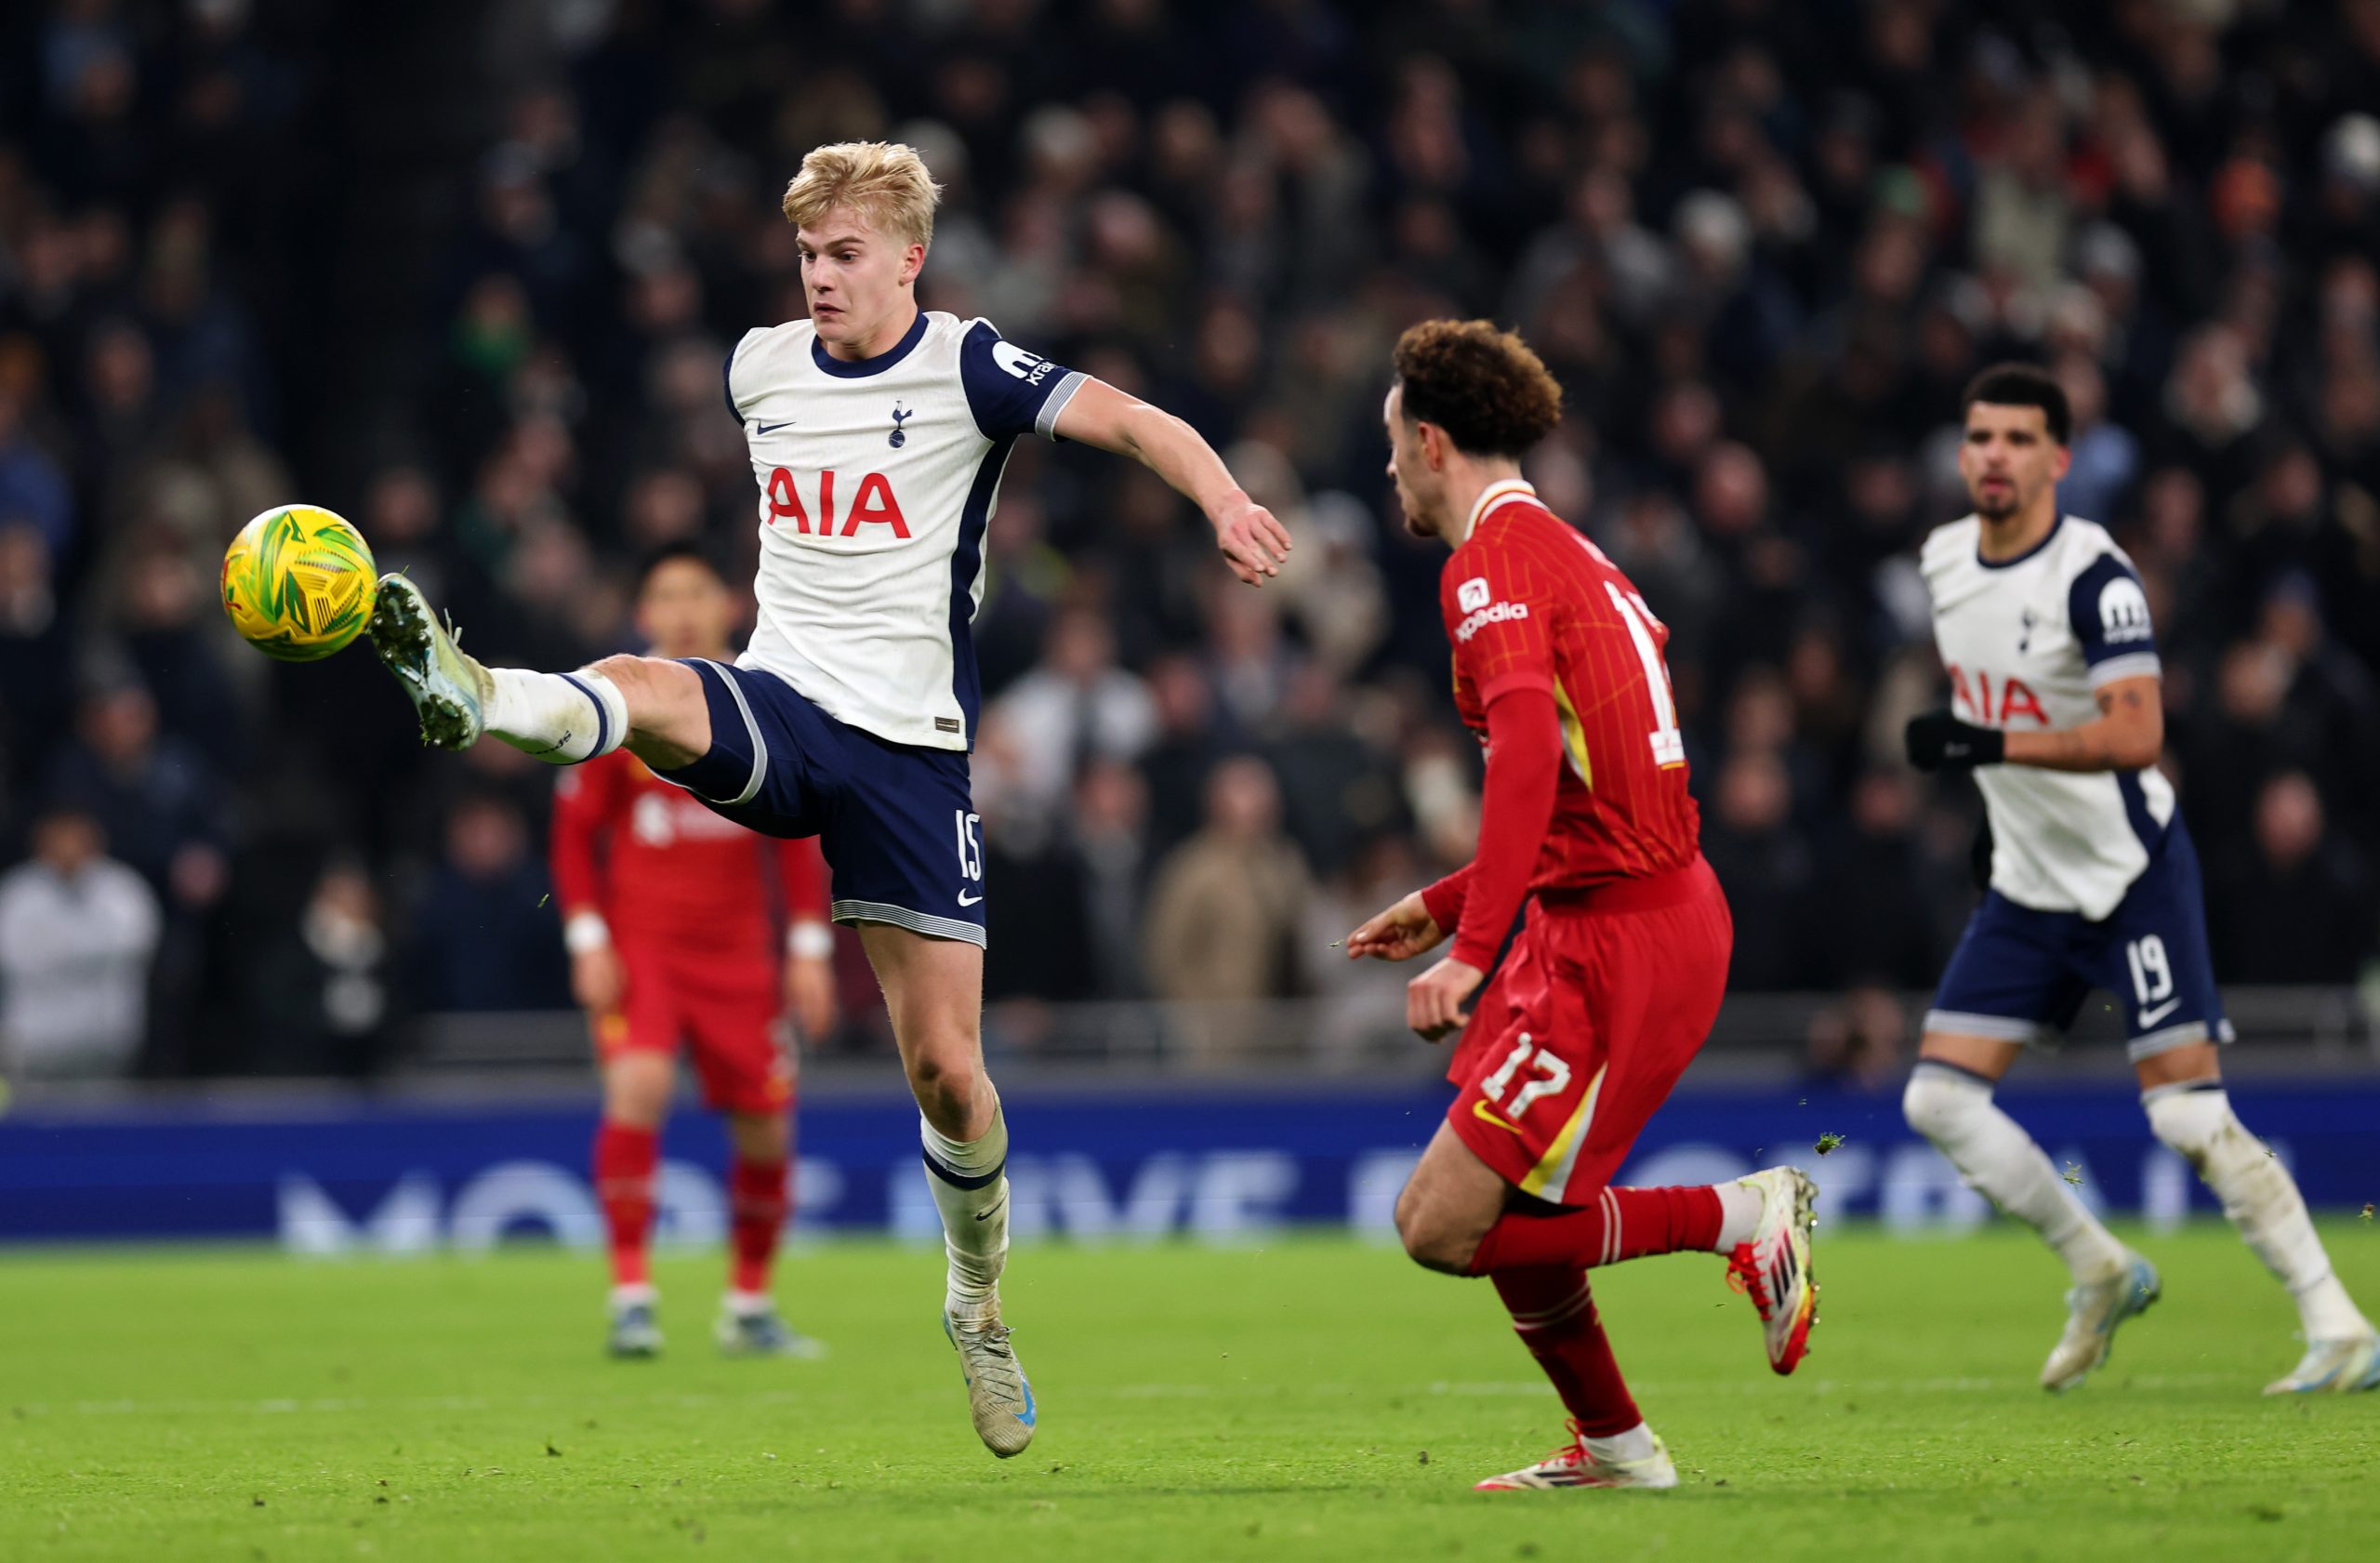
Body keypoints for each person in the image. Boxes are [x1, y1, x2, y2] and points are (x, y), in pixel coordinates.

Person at [364, 140, 1290, 1457]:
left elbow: (1137, 420)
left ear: (910, 258)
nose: (820, 278)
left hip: (911, 752)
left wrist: (1224, 496)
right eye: (807, 254)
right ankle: (473, 687)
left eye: (845, 253)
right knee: (644, 682)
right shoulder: (761, 370)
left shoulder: (966, 366)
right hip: (785, 703)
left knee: (949, 1076)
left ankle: (976, 1302)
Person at [1344, 321, 1817, 1493]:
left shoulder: (1489, 567)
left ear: (1433, 441)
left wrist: (1473, 942)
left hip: (1615, 938)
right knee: (1502, 1193)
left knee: (1437, 1223)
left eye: (1392, 444)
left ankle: (1739, 1214)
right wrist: (1454, 901)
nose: (1387, 467)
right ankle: (1616, 1445)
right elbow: (1590, 778)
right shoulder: (1574, 554)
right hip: (1615, 910)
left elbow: (1519, 758)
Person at [1900, 364, 2376, 1396]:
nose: (1994, 454)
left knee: (2186, 1118)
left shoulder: (2092, 574)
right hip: (2029, 885)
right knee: (1937, 1098)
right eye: (1979, 436)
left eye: (2019, 439)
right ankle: (2099, 1266)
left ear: (2059, 459)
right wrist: (1996, 816)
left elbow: (2136, 732)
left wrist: (1989, 743)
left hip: (2128, 874)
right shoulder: (1942, 561)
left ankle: (2337, 1322)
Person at [550, 543, 838, 1360]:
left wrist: (809, 950)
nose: (680, 610)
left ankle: (748, 1307)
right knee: (637, 1090)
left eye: (695, 594)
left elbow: (793, 836)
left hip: (740, 958)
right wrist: (588, 936)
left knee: (766, 1134)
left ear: (729, 609)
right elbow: (574, 833)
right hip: (647, 948)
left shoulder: (760, 702)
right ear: (643, 617)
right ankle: (631, 1294)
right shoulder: (625, 704)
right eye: (663, 595)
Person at [0, 807, 160, 1080]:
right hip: (35, 1041)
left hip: (106, 1039)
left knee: (104, 1116)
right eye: (60, 837)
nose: (68, 847)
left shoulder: (122, 888)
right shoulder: (18, 892)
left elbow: (133, 945)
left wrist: (52, 948)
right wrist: (89, 946)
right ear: (41, 843)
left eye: (76, 837)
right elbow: (15, 957)